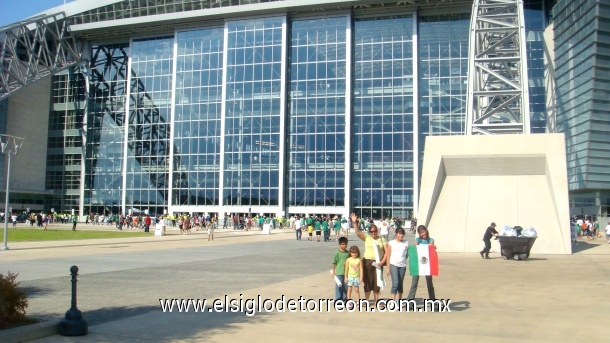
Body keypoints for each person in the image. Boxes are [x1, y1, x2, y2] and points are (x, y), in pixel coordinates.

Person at [351, 213, 387, 305]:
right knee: (367, 282)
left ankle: (376, 301)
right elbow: (358, 232)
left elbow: (387, 252)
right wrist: (355, 223)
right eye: (371, 231)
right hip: (367, 262)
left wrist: (383, 261)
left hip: (379, 262)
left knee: (377, 282)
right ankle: (366, 300)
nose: (373, 233)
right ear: (369, 232)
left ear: (377, 231)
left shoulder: (382, 239)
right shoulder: (367, 238)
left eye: (375, 231)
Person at [407, 225, 436, 301]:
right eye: (420, 233)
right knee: (414, 284)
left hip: (427, 264)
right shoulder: (418, 240)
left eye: (423, 232)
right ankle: (410, 301)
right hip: (418, 264)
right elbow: (415, 246)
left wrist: (433, 247)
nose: (422, 234)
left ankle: (433, 301)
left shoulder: (431, 240)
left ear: (426, 231)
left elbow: (431, 246)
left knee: (430, 284)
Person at [385, 228, 409, 302]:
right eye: (399, 233)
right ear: (395, 234)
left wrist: (404, 260)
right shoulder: (391, 243)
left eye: (402, 234)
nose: (400, 235)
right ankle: (392, 301)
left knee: (400, 283)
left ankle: (399, 300)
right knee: (395, 283)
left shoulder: (406, 243)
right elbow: (388, 255)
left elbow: (407, 254)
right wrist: (388, 268)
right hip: (393, 265)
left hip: (402, 266)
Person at [331, 237, 349, 302]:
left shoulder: (348, 253)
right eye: (343, 244)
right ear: (340, 244)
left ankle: (344, 300)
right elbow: (334, 263)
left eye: (345, 244)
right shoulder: (337, 253)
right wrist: (333, 272)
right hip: (339, 272)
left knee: (346, 287)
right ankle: (338, 299)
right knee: (339, 287)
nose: (344, 246)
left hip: (346, 273)